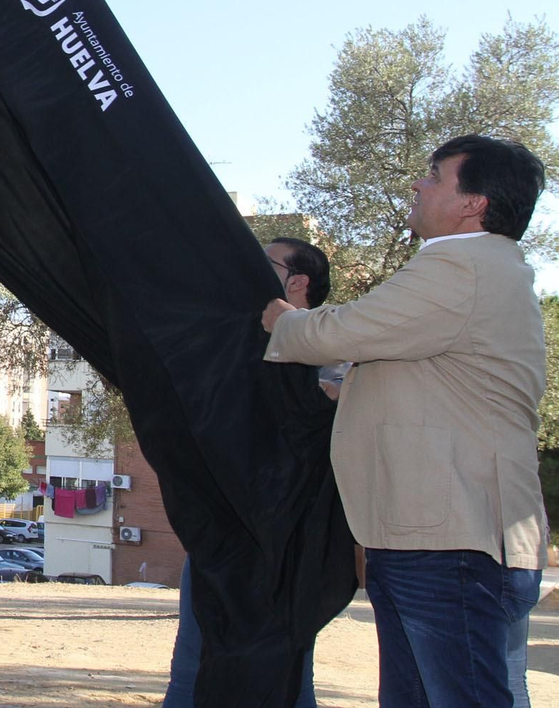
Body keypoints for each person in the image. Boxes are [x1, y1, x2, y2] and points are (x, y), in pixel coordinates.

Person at [262, 135, 548, 707]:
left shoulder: (461, 266)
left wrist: (284, 320)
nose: (418, 184)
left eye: (436, 175)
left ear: (474, 203)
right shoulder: (483, 271)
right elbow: (429, 382)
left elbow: (342, 331)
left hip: (450, 544)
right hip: (436, 537)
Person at [165, 237, 330, 708]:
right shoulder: (237, 346)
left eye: (265, 261)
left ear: (297, 281)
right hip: (221, 540)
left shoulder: (331, 351)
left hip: (286, 547)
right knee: (194, 668)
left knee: (286, 670)